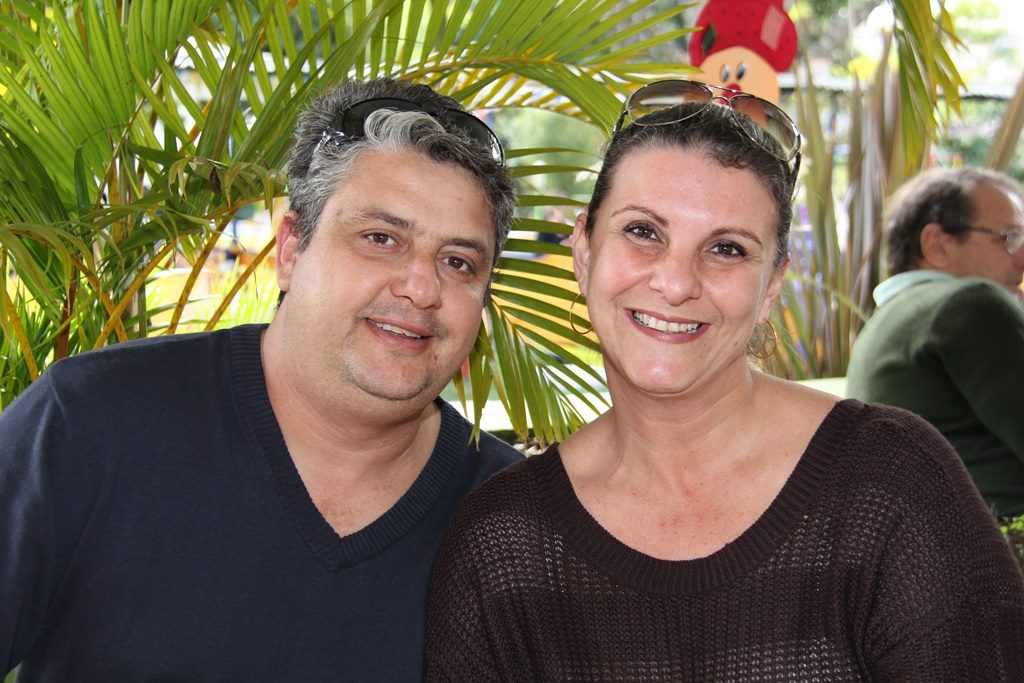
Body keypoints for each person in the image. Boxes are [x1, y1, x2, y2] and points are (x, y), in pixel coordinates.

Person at [423, 79, 1024, 680]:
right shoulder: (502, 542)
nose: (676, 283)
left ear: (772, 287)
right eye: (643, 231)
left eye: (728, 249)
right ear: (584, 252)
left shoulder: (890, 480)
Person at [0, 77, 520, 680]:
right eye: (381, 239)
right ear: (291, 250)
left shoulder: (517, 522)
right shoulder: (90, 423)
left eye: (458, 262)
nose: (422, 288)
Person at [846, 167, 1024, 519]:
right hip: (998, 538)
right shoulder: (969, 302)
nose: (1021, 257)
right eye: (1009, 238)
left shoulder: (888, 321)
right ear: (936, 244)